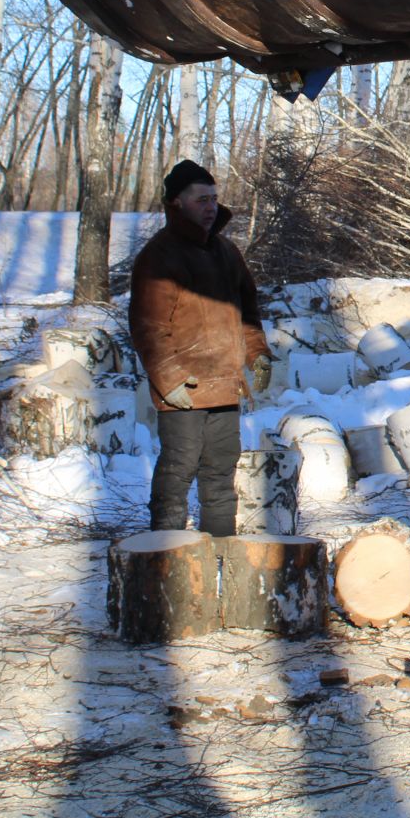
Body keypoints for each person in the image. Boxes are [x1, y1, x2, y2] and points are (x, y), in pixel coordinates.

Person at [128, 159, 271, 538]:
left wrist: (257, 354)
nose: (210, 207)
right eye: (201, 200)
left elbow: (247, 309)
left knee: (221, 473)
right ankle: (165, 556)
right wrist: (169, 379)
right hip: (184, 389)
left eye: (213, 199)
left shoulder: (226, 251)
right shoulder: (159, 256)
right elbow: (148, 327)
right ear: (176, 203)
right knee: (177, 469)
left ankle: (221, 552)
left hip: (224, 384)